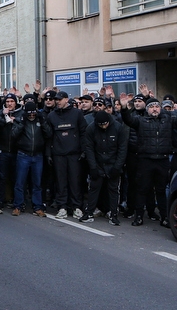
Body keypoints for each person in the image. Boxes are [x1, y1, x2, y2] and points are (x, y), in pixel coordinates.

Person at [120, 95, 177, 227]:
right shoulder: (140, 121)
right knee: (142, 189)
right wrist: (123, 108)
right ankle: (138, 216)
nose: (155, 109)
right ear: (147, 109)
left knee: (161, 190)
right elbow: (128, 120)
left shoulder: (168, 120)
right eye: (152, 107)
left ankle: (165, 217)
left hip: (162, 160)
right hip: (145, 160)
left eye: (157, 106)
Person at [80, 111, 128, 225]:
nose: (103, 126)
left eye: (105, 124)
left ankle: (113, 214)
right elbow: (89, 149)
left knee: (113, 189)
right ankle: (89, 212)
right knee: (94, 188)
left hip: (113, 162)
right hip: (98, 163)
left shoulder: (118, 127)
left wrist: (117, 167)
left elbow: (122, 149)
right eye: (101, 124)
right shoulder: (91, 128)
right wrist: (93, 167)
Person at [46, 91, 87, 219]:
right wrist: (49, 154)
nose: (57, 101)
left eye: (59, 99)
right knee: (60, 182)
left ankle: (76, 207)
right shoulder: (52, 116)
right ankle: (62, 207)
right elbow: (49, 137)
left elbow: (83, 133)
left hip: (74, 153)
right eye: (56, 100)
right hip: (58, 154)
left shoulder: (77, 113)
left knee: (75, 182)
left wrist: (84, 150)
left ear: (66, 99)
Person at [11, 101, 50, 216]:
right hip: (24, 154)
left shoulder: (40, 120)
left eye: (33, 113)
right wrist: (22, 123)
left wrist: (43, 122)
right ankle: (18, 205)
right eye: (29, 114)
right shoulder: (20, 119)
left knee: (37, 183)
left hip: (37, 155)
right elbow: (13, 135)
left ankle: (37, 206)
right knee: (20, 182)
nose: (32, 116)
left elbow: (49, 134)